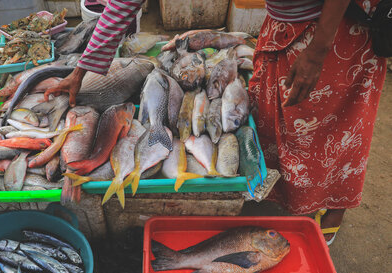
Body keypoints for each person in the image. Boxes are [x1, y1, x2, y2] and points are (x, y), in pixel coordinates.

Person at [45, 0, 387, 245]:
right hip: (282, 27)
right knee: (275, 123)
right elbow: (123, 3)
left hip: (334, 33)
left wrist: (317, 52)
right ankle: (289, 198)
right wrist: (81, 71)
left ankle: (334, 208)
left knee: (334, 132)